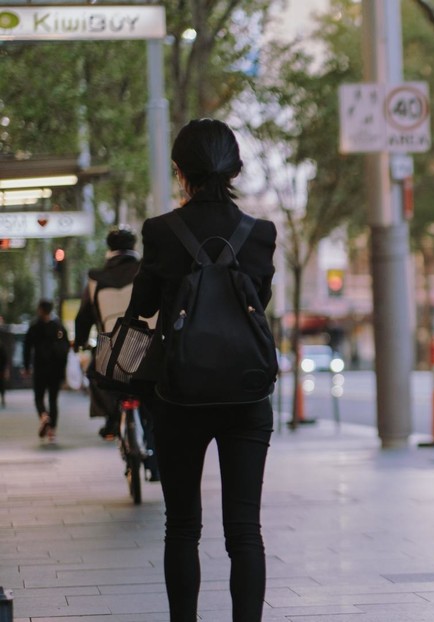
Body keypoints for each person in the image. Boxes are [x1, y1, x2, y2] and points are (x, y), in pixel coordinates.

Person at [126, 118, 277, 622]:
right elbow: (259, 303)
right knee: (244, 530)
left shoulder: (161, 232)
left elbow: (143, 308)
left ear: (180, 170)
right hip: (247, 394)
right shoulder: (260, 234)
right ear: (235, 168)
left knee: (182, 527)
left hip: (180, 395)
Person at [74, 228, 142, 440]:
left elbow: (83, 316)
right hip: (144, 344)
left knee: (98, 375)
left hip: (109, 346)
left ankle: (112, 420)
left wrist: (80, 342)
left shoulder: (95, 279)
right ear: (133, 246)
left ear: (110, 248)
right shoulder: (144, 271)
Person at [23, 299, 69, 442]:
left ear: (40, 310)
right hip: (55, 370)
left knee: (38, 397)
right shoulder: (59, 326)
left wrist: (26, 367)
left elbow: (27, 348)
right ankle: (52, 431)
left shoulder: (34, 327)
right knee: (53, 399)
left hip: (40, 367)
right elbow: (66, 348)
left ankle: (44, 416)